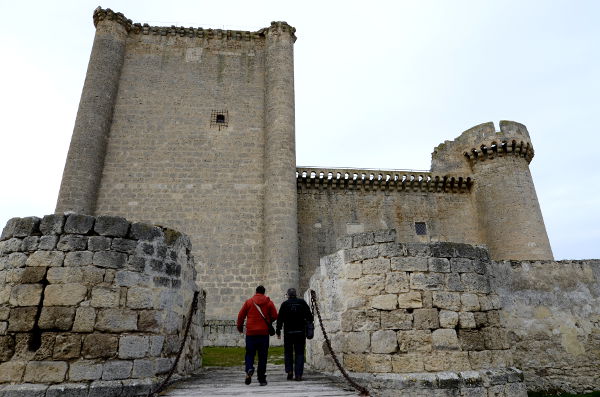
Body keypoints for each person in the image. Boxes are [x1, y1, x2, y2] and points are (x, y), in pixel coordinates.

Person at [237, 285, 278, 386]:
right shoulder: (269, 303)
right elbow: (275, 316)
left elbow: (241, 316)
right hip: (264, 333)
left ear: (256, 292)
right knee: (262, 356)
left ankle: (249, 369)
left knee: (249, 353)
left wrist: (240, 328)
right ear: (264, 292)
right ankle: (261, 379)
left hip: (251, 333)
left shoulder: (249, 302)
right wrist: (268, 321)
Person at [276, 288, 314, 381]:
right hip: (300, 332)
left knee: (288, 353)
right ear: (295, 294)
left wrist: (278, 331)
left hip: (288, 333)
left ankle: (289, 371)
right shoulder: (302, 303)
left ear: (288, 295)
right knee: (300, 353)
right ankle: (298, 375)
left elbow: (280, 319)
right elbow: (310, 317)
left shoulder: (284, 304)